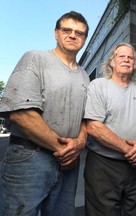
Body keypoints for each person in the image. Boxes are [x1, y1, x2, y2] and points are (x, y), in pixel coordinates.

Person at [0, 11, 90, 216]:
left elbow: (86, 119)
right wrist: (64, 150)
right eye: (67, 30)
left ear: (84, 39)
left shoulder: (85, 75)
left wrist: (80, 143)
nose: (73, 35)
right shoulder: (35, 58)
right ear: (56, 33)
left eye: (79, 32)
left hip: (69, 162)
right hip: (30, 157)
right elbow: (21, 113)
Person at [84, 42, 136, 216]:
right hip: (104, 165)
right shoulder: (98, 86)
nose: (126, 60)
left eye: (130, 57)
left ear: (134, 64)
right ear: (112, 62)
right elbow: (93, 126)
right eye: (121, 56)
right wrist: (129, 149)